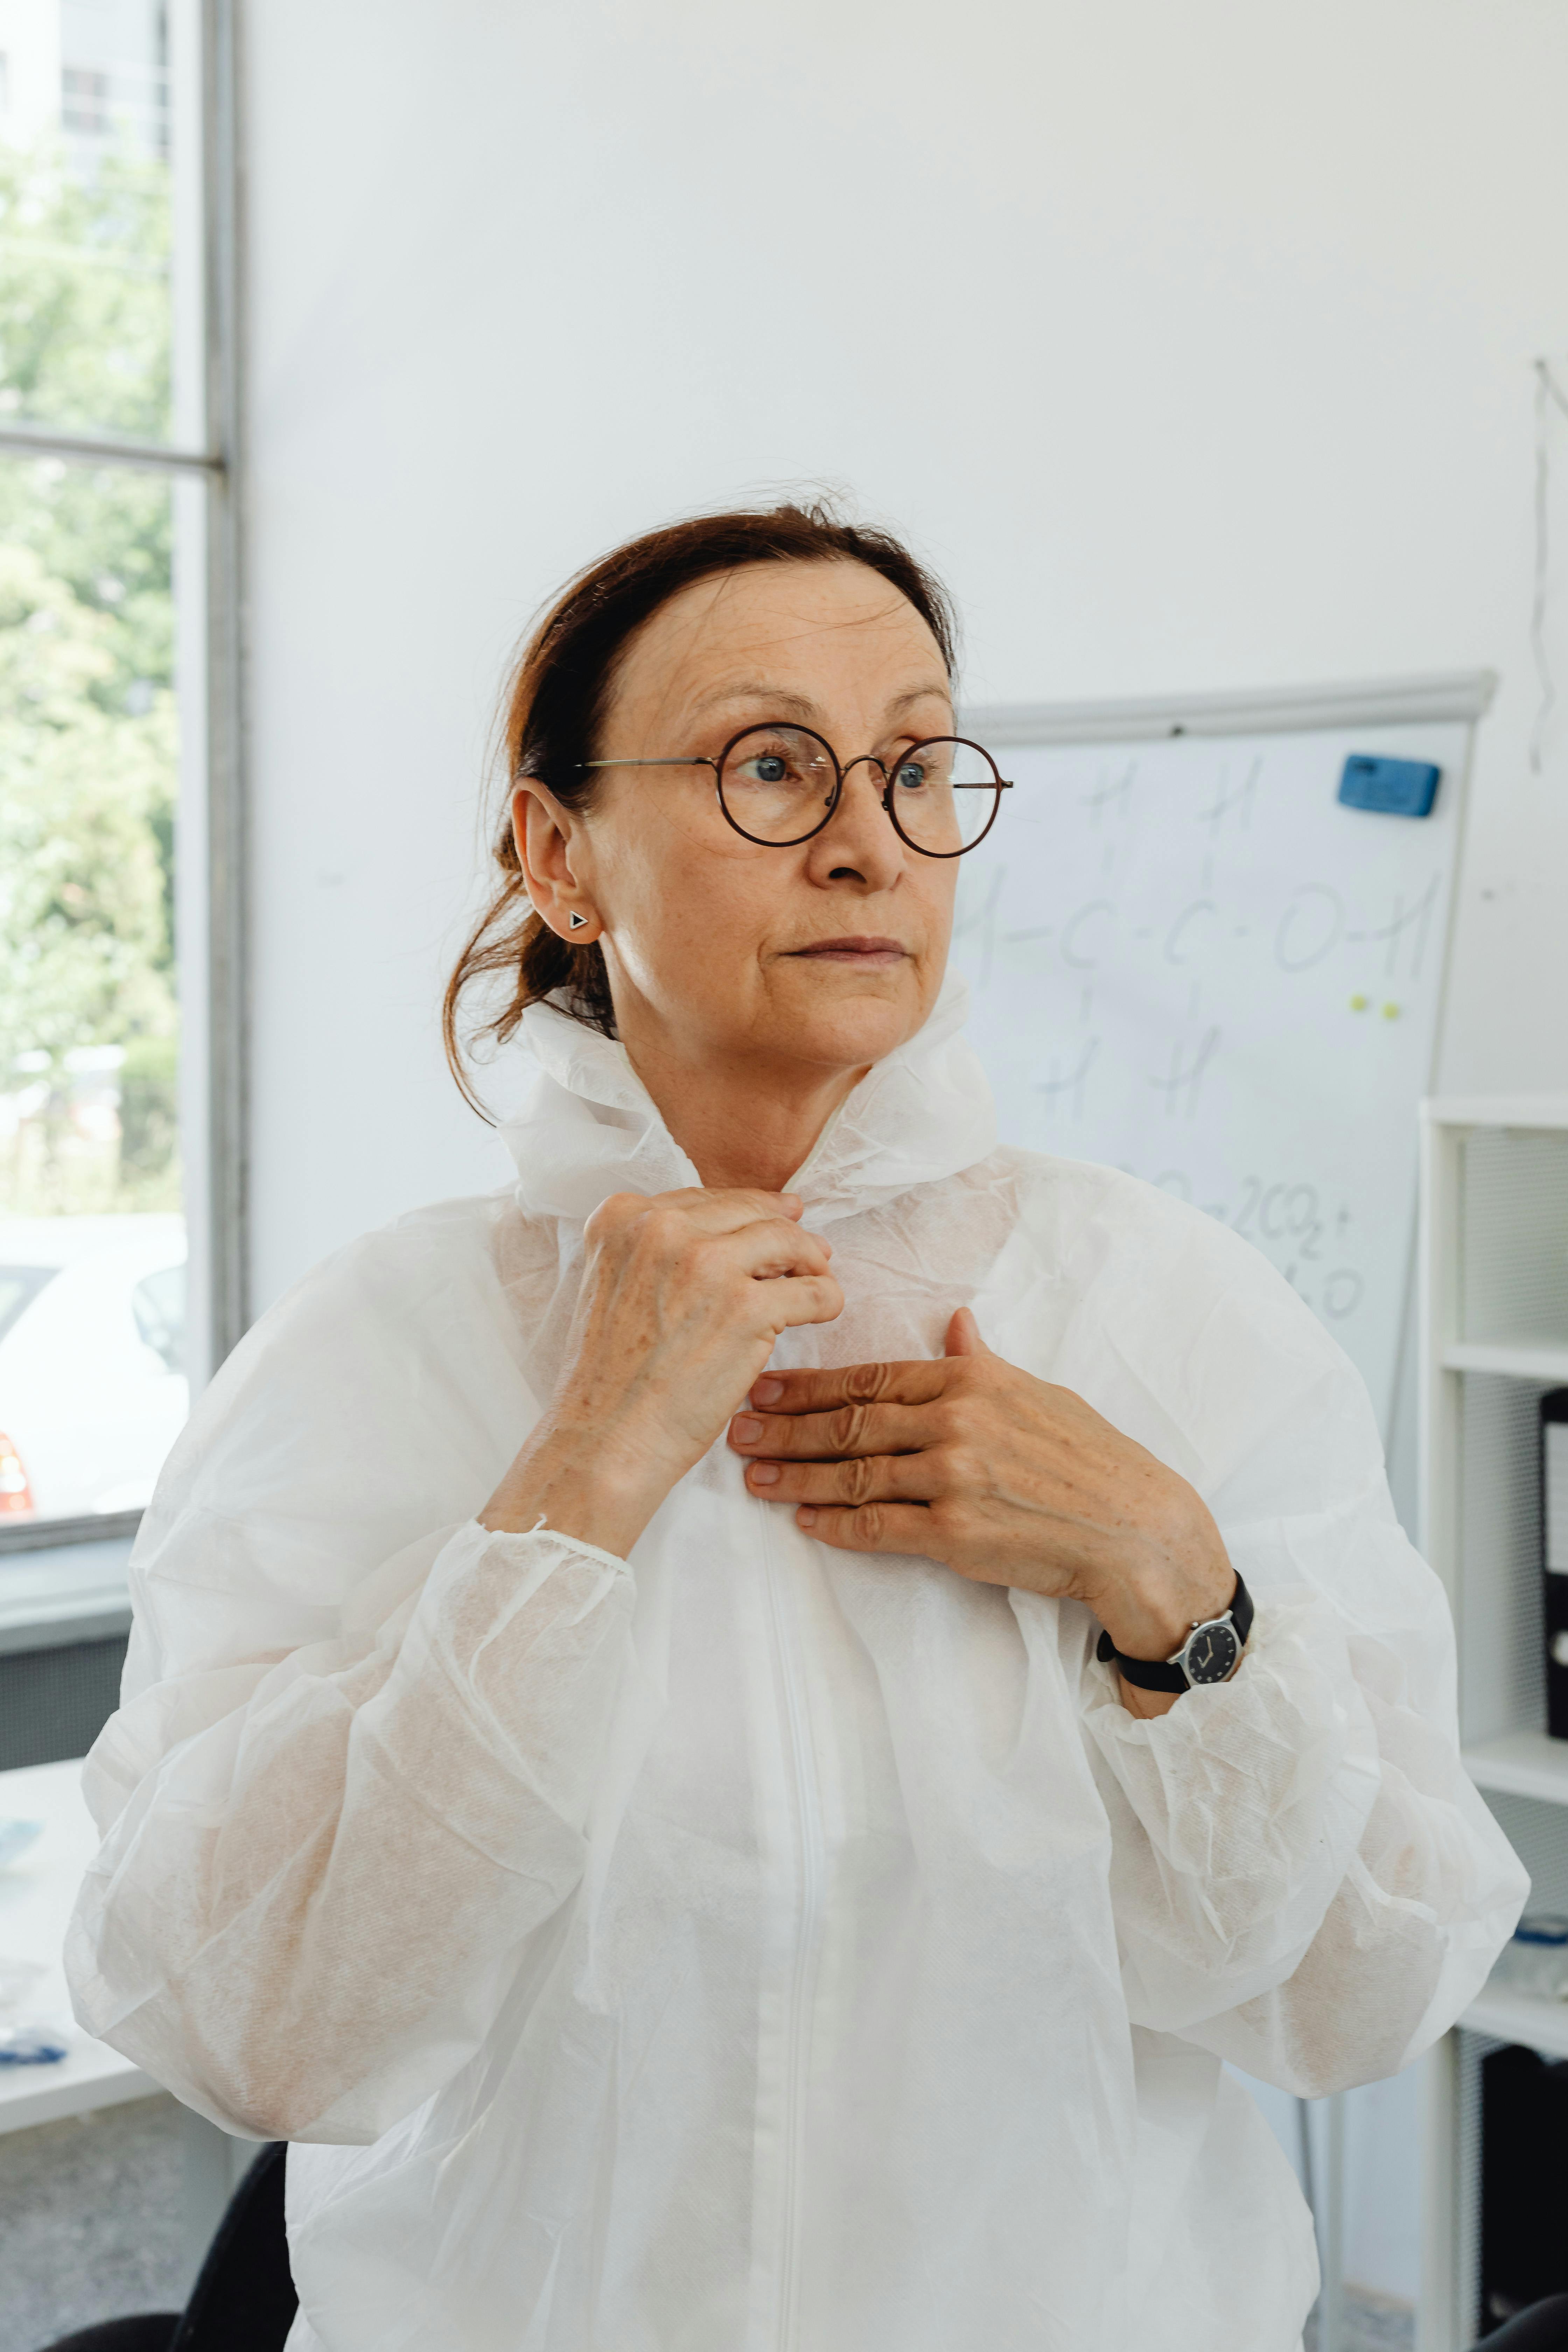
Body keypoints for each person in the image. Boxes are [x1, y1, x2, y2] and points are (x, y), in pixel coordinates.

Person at [67, 502, 1525, 2352]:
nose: (865, 843)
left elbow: (1364, 2001)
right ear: (560, 852)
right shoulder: (379, 1354)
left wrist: (1171, 1584)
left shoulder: (1169, 1315)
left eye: (918, 769)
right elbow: (260, 2028)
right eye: (773, 765)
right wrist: (578, 1478)